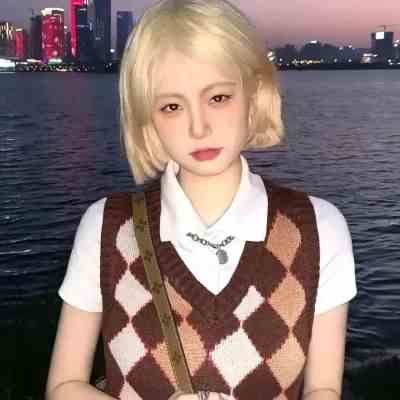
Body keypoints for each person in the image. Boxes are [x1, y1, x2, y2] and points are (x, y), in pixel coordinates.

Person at [46, 0, 357, 399]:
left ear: (254, 94)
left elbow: (324, 390)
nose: (198, 127)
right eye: (172, 106)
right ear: (148, 119)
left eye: (218, 98)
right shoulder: (106, 227)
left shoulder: (318, 228)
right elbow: (63, 386)